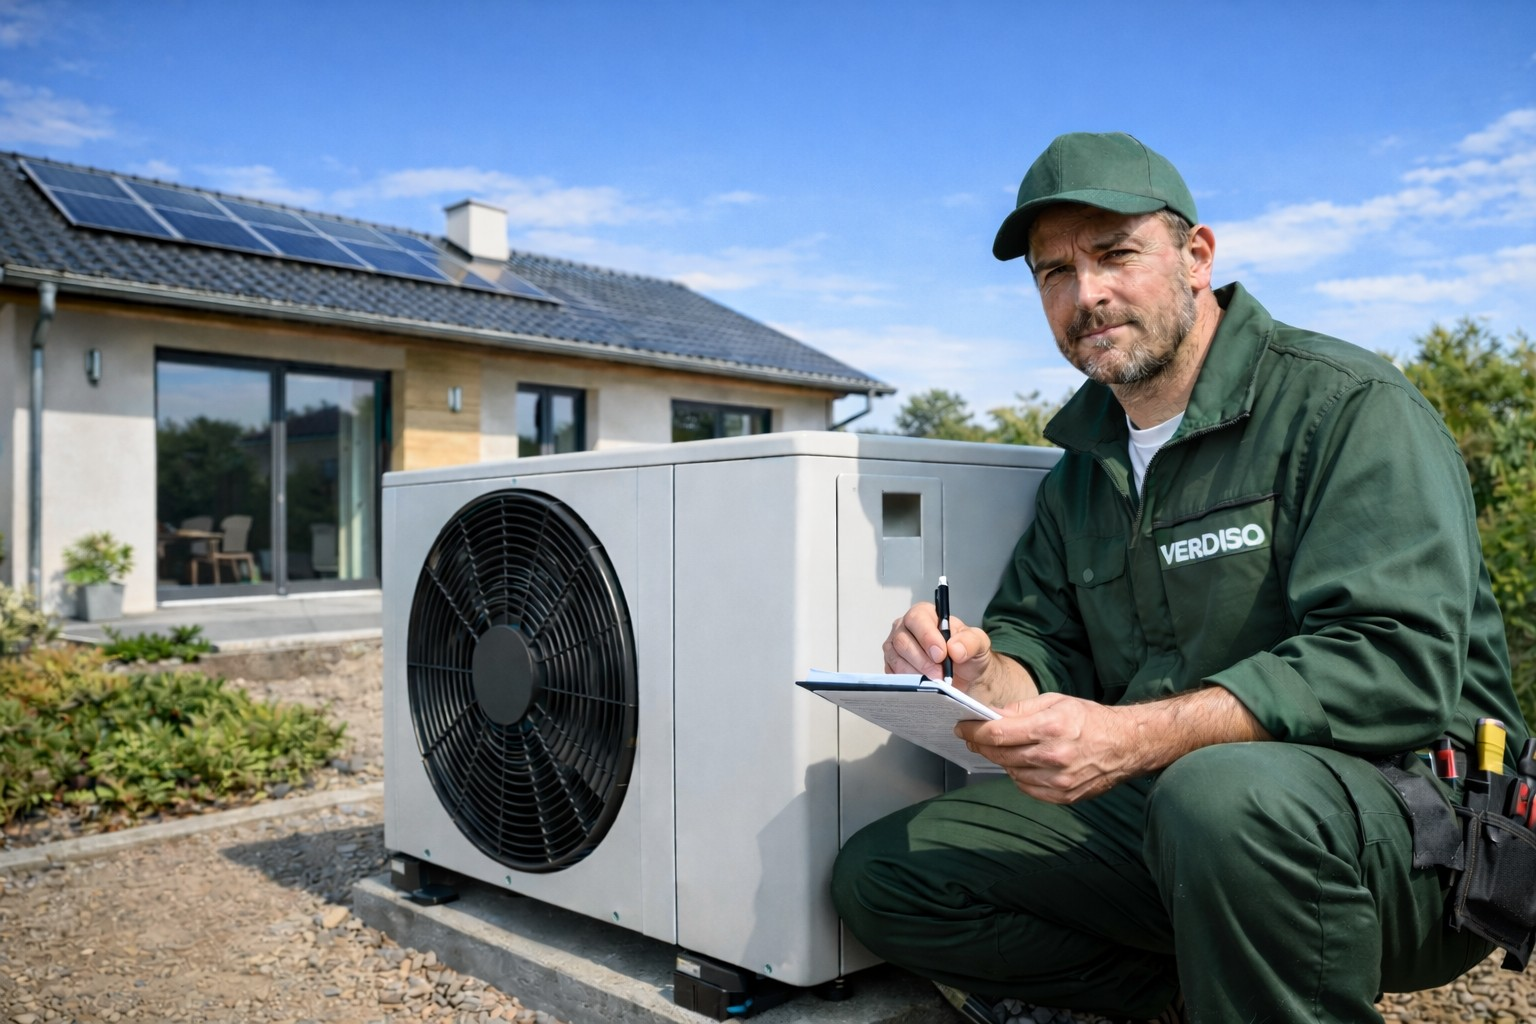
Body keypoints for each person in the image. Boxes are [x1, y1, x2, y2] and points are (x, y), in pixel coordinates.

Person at [831, 132, 1528, 1024]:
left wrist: (1129, 737)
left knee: (1221, 794)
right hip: (1181, 832)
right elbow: (1041, 647)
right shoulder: (1083, 466)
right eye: (1054, 272)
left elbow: (1394, 661)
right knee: (887, 875)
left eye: (1115, 253)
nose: (1087, 294)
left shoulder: (1348, 407)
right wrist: (975, 670)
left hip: (1412, 840)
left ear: (1196, 257)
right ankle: (1190, 1000)